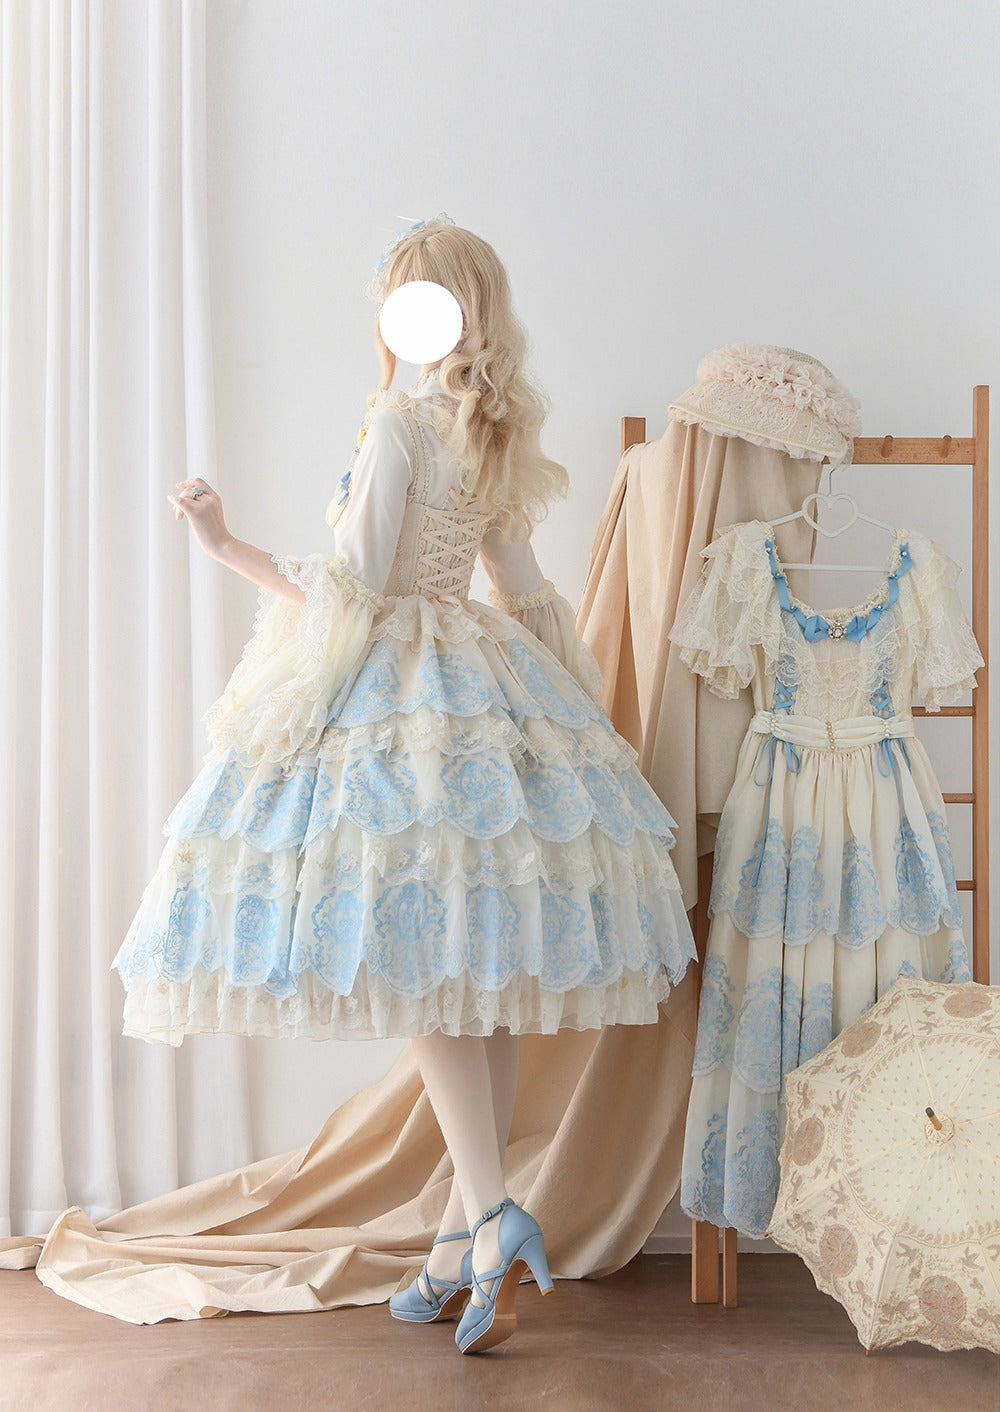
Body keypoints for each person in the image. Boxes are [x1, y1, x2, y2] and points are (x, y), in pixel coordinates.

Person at [110, 215, 697, 1353]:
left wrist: (225, 546)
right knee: (471, 979)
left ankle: (492, 1214)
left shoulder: (397, 423)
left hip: (397, 694)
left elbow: (353, 588)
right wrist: (570, 707)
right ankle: (456, 1239)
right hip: (483, 684)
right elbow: (520, 586)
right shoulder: (489, 429)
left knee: (435, 970)